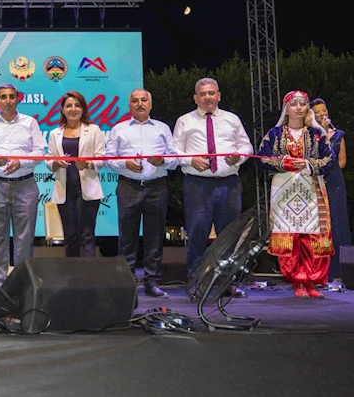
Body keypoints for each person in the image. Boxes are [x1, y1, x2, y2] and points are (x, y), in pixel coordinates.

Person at [173, 77, 253, 297]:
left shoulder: (232, 119)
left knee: (230, 236)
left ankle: (227, 282)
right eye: (202, 93)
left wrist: (238, 158)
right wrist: (191, 160)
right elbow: (174, 151)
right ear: (195, 98)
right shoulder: (184, 121)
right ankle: (196, 282)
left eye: (211, 93)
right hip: (197, 185)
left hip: (229, 185)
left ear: (219, 95)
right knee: (197, 234)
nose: (207, 97)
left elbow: (247, 146)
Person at [257, 91, 335, 298]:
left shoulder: (316, 134)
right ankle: (297, 282)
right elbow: (262, 158)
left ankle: (311, 281)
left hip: (311, 187)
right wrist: (285, 162)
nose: (299, 107)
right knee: (291, 235)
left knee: (311, 235)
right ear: (286, 109)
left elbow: (330, 160)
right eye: (294, 104)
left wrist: (309, 163)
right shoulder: (274, 134)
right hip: (284, 188)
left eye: (302, 104)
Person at [105, 88, 179, 298]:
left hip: (156, 187)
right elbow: (108, 159)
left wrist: (162, 160)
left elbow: (174, 159)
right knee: (127, 238)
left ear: (150, 104)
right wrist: (124, 163)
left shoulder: (162, 128)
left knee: (154, 237)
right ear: (129, 106)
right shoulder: (118, 129)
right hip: (128, 186)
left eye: (144, 100)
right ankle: (126, 282)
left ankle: (152, 282)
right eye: (135, 100)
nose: (139, 103)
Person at [0, 83, 46, 286]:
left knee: (24, 238)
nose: (8, 101)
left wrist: (21, 161)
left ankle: (22, 282)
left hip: (25, 185)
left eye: (12, 97)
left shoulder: (30, 123)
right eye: (3, 97)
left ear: (18, 99)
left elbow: (40, 152)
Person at [45, 90, 105, 258]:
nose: (73, 109)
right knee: (70, 235)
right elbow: (49, 160)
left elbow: (101, 159)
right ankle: (72, 277)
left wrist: (88, 163)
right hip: (65, 190)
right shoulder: (54, 134)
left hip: (88, 190)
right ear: (62, 110)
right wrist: (56, 163)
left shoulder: (94, 130)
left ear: (83, 109)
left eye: (77, 105)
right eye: (69, 106)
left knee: (86, 234)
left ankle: (88, 277)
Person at [310, 97, 350, 284]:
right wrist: (321, 134)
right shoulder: (309, 136)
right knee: (318, 226)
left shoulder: (339, 135)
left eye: (323, 110)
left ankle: (339, 271)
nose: (320, 114)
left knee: (337, 223)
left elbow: (341, 163)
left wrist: (328, 135)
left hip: (335, 183)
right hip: (316, 183)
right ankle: (318, 271)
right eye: (316, 112)